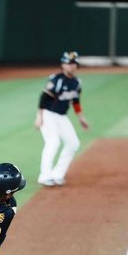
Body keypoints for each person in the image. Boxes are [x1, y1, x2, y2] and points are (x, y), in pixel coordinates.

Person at [34, 51, 89, 187]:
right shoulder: (56, 79)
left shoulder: (77, 82)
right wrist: (39, 116)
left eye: (74, 63)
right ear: (63, 64)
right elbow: (44, 98)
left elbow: (75, 101)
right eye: (68, 63)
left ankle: (57, 174)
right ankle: (44, 176)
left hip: (62, 116)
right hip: (48, 114)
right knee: (53, 142)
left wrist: (81, 117)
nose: (71, 66)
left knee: (73, 143)